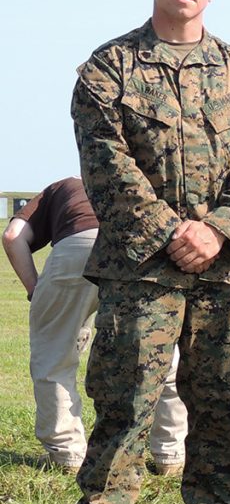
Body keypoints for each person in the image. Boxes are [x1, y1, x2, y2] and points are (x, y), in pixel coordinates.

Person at [69, 0, 230, 504]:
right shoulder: (108, 69)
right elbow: (108, 168)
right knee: (126, 402)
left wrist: (216, 232)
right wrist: (171, 233)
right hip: (140, 270)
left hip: (223, 272)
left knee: (222, 407)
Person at [3, 178, 188, 475]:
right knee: (163, 357)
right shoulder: (144, 181)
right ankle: (171, 454)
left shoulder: (63, 188)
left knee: (54, 359)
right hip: (142, 248)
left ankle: (67, 455)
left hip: (77, 245)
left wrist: (35, 290)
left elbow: (13, 236)